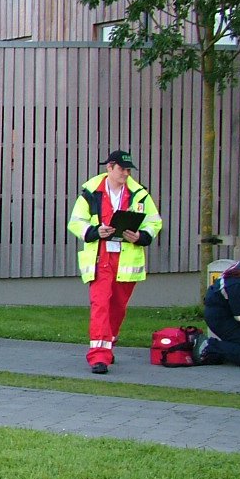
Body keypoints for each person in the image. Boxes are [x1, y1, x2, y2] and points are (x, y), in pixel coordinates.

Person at [66, 149, 163, 374]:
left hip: (127, 257)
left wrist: (141, 236)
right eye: (122, 169)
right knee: (100, 305)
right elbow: (75, 222)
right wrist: (94, 231)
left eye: (128, 170)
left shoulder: (140, 194)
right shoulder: (91, 192)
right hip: (101, 256)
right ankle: (98, 357)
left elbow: (154, 222)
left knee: (118, 307)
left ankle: (108, 344)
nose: (126, 174)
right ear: (109, 167)